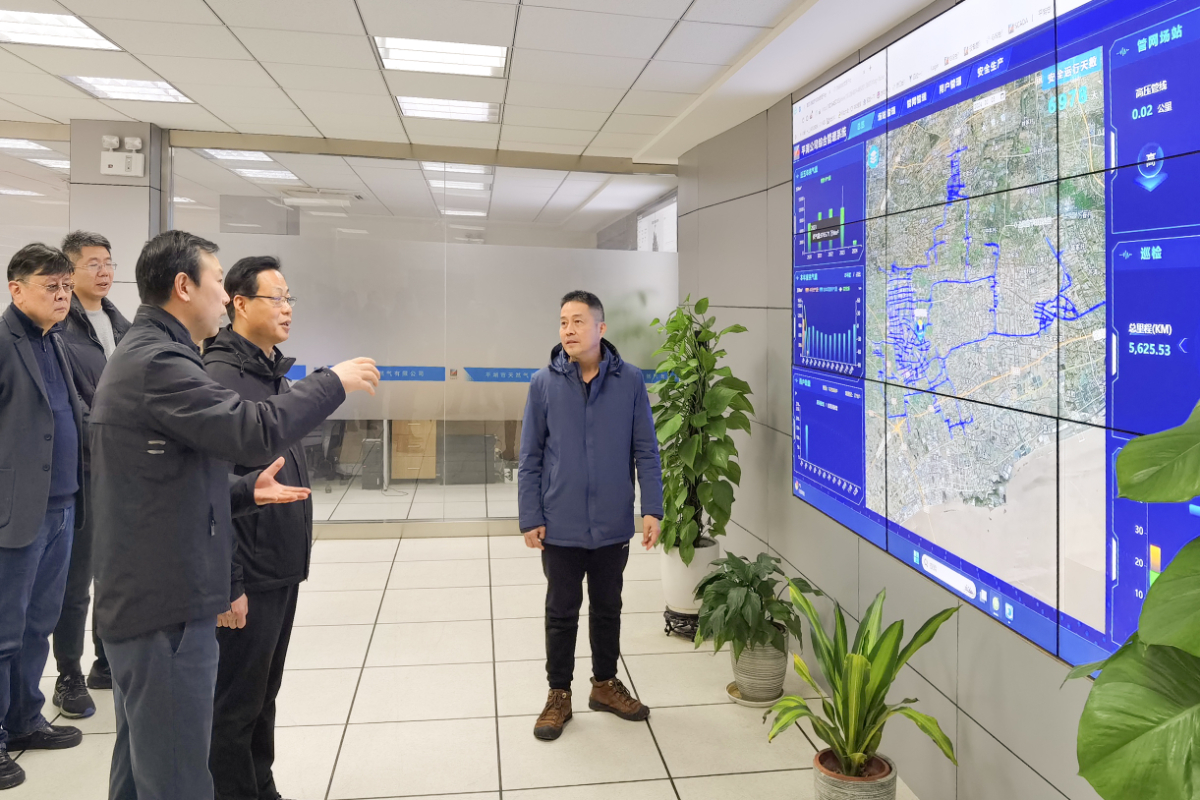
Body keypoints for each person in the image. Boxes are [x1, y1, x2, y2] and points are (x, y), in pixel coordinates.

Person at [89, 230, 380, 800]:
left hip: (156, 593)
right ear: (183, 285)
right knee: (179, 774)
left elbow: (180, 478)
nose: (224, 297)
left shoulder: (157, 355)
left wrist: (247, 492)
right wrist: (333, 382)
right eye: (219, 283)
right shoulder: (161, 363)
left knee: (144, 771)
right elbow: (253, 431)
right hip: (167, 603)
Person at [518, 290, 664, 742]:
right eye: (563, 321)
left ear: (601, 328)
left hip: (611, 522)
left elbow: (646, 450)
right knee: (561, 612)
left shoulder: (630, 381)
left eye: (578, 321)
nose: (568, 330)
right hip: (559, 522)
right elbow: (530, 457)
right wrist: (530, 515)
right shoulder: (543, 383)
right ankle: (558, 694)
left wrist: (652, 508)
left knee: (607, 608)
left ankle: (604, 685)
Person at [202, 257, 319, 800]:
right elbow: (210, 491)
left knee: (262, 694)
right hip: (248, 570)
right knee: (234, 704)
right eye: (277, 298)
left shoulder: (270, 372)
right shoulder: (221, 378)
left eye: (289, 297)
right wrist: (229, 581)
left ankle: (260, 784)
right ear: (240, 304)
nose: (287, 308)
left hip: (279, 565)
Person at [0, 244, 85, 791]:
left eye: (66, 286)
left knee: (38, 624)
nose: (61, 295)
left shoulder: (56, 341)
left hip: (64, 506)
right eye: (50, 286)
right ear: (16, 289)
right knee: (3, 631)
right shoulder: (4, 342)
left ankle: (25, 719)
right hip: (16, 513)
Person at [51, 231, 130, 720]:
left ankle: (106, 661)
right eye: (93, 263)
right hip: (84, 467)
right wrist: (105, 436)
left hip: (123, 466)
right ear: (70, 270)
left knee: (115, 571)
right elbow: (71, 399)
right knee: (76, 578)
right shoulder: (61, 327)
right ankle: (68, 674)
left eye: (108, 262)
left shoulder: (122, 323)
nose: (104, 272)